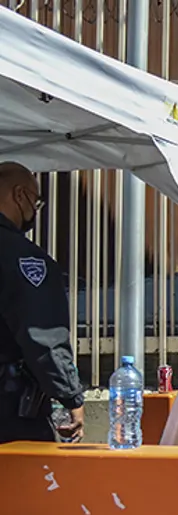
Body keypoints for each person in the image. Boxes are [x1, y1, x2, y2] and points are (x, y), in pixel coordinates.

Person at [0, 162, 85, 444]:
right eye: (36, 200)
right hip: (9, 413)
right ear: (19, 195)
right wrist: (70, 396)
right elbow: (43, 334)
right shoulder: (22, 259)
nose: (35, 209)